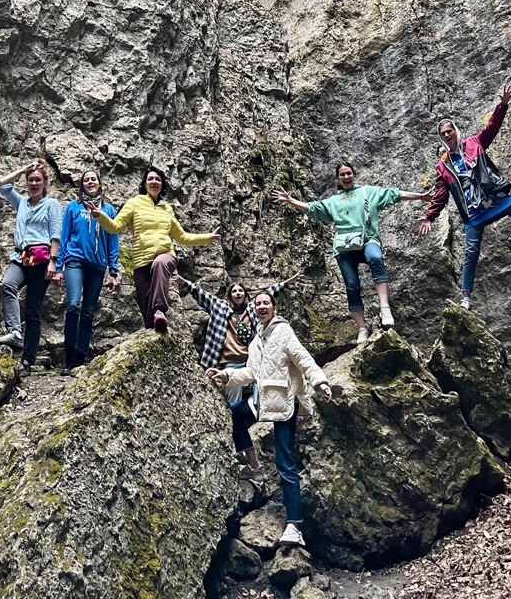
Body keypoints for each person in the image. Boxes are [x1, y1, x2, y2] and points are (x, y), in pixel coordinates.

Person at [419, 82, 511, 309]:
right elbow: (440, 194)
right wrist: (429, 216)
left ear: (456, 131)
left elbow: (492, 128)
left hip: (497, 199)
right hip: (474, 213)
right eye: (443, 134)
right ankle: (466, 298)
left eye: (450, 131)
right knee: (470, 253)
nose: (448, 136)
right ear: (441, 139)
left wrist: (502, 105)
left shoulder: (474, 143)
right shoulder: (443, 166)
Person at [209, 289, 332, 549]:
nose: (261, 306)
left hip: (284, 402)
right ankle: (255, 467)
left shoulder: (283, 332)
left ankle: (295, 525)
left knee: (285, 462)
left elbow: (302, 358)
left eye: (266, 302)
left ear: (274, 308)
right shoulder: (256, 342)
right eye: (258, 304)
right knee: (235, 415)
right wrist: (224, 376)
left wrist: (319, 380)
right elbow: (250, 373)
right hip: (264, 403)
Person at [272, 164, 429, 342]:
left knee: (376, 257)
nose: (346, 177)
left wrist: (421, 197)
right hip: (344, 247)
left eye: (349, 173)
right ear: (338, 178)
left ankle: (384, 308)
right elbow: (312, 208)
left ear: (354, 175)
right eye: (342, 175)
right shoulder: (333, 201)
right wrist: (290, 200)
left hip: (367, 239)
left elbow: (395, 194)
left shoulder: (367, 192)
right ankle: (362, 328)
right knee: (352, 285)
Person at [175, 271, 304, 479]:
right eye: (234, 291)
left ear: (245, 295)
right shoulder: (220, 308)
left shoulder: (253, 309)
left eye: (241, 291)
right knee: (232, 408)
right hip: (231, 364)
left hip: (254, 363)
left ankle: (249, 448)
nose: (237, 293)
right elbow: (201, 294)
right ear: (229, 296)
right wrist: (185, 282)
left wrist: (288, 282)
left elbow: (270, 293)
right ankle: (242, 448)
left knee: (260, 402)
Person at [92, 167, 220, 333]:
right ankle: (154, 334)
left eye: (158, 179)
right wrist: (99, 216)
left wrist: (208, 237)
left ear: (162, 184)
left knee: (160, 264)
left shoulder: (167, 209)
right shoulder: (134, 203)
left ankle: (160, 309)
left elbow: (182, 237)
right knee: (147, 314)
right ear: (144, 184)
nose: (154, 182)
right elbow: (115, 227)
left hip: (165, 256)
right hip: (141, 261)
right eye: (150, 179)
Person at [0, 158, 63, 373]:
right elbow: (3, 185)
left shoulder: (52, 205)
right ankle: (14, 331)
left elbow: (56, 234)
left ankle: (28, 361)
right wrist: (24, 168)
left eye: (38, 180)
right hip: (21, 258)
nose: (34, 183)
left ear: (45, 183)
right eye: (30, 180)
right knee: (7, 285)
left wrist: (53, 263)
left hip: (41, 261)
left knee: (32, 310)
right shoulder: (21, 202)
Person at [55, 169, 120, 374]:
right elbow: (64, 236)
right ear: (81, 185)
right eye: (86, 180)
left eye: (93, 179)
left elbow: (113, 240)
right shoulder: (74, 207)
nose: (90, 182)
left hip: (98, 265)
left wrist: (114, 271)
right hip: (75, 261)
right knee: (73, 305)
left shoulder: (108, 210)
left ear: (100, 184)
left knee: (89, 312)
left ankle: (79, 360)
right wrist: (59, 267)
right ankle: (68, 357)